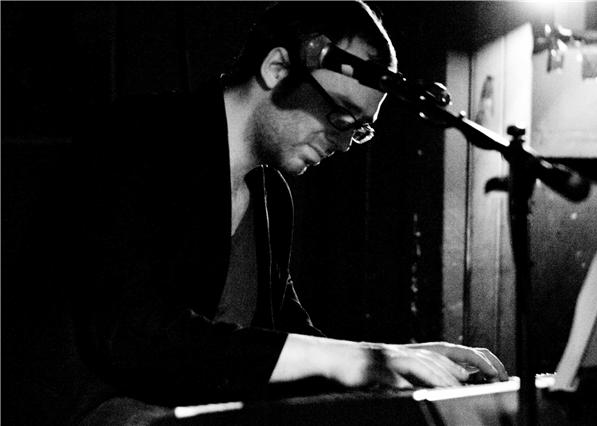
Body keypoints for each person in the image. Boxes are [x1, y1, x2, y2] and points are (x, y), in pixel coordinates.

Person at [60, 1, 508, 424]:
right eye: (341, 115)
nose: (344, 143)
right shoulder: (137, 137)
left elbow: (288, 342)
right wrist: (362, 359)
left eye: (360, 129)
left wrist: (398, 361)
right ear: (276, 68)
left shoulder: (271, 194)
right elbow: (132, 333)